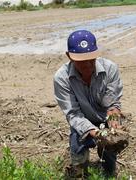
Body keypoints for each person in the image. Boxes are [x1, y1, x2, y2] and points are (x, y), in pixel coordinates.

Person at [53, 30, 123, 178]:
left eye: (91, 59)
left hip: (105, 118)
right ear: (69, 56)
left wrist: (113, 124)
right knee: (78, 143)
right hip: (82, 118)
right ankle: (80, 173)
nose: (87, 65)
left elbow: (112, 105)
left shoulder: (110, 69)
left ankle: (108, 173)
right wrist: (96, 133)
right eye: (81, 61)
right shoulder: (62, 78)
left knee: (110, 147)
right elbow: (73, 114)